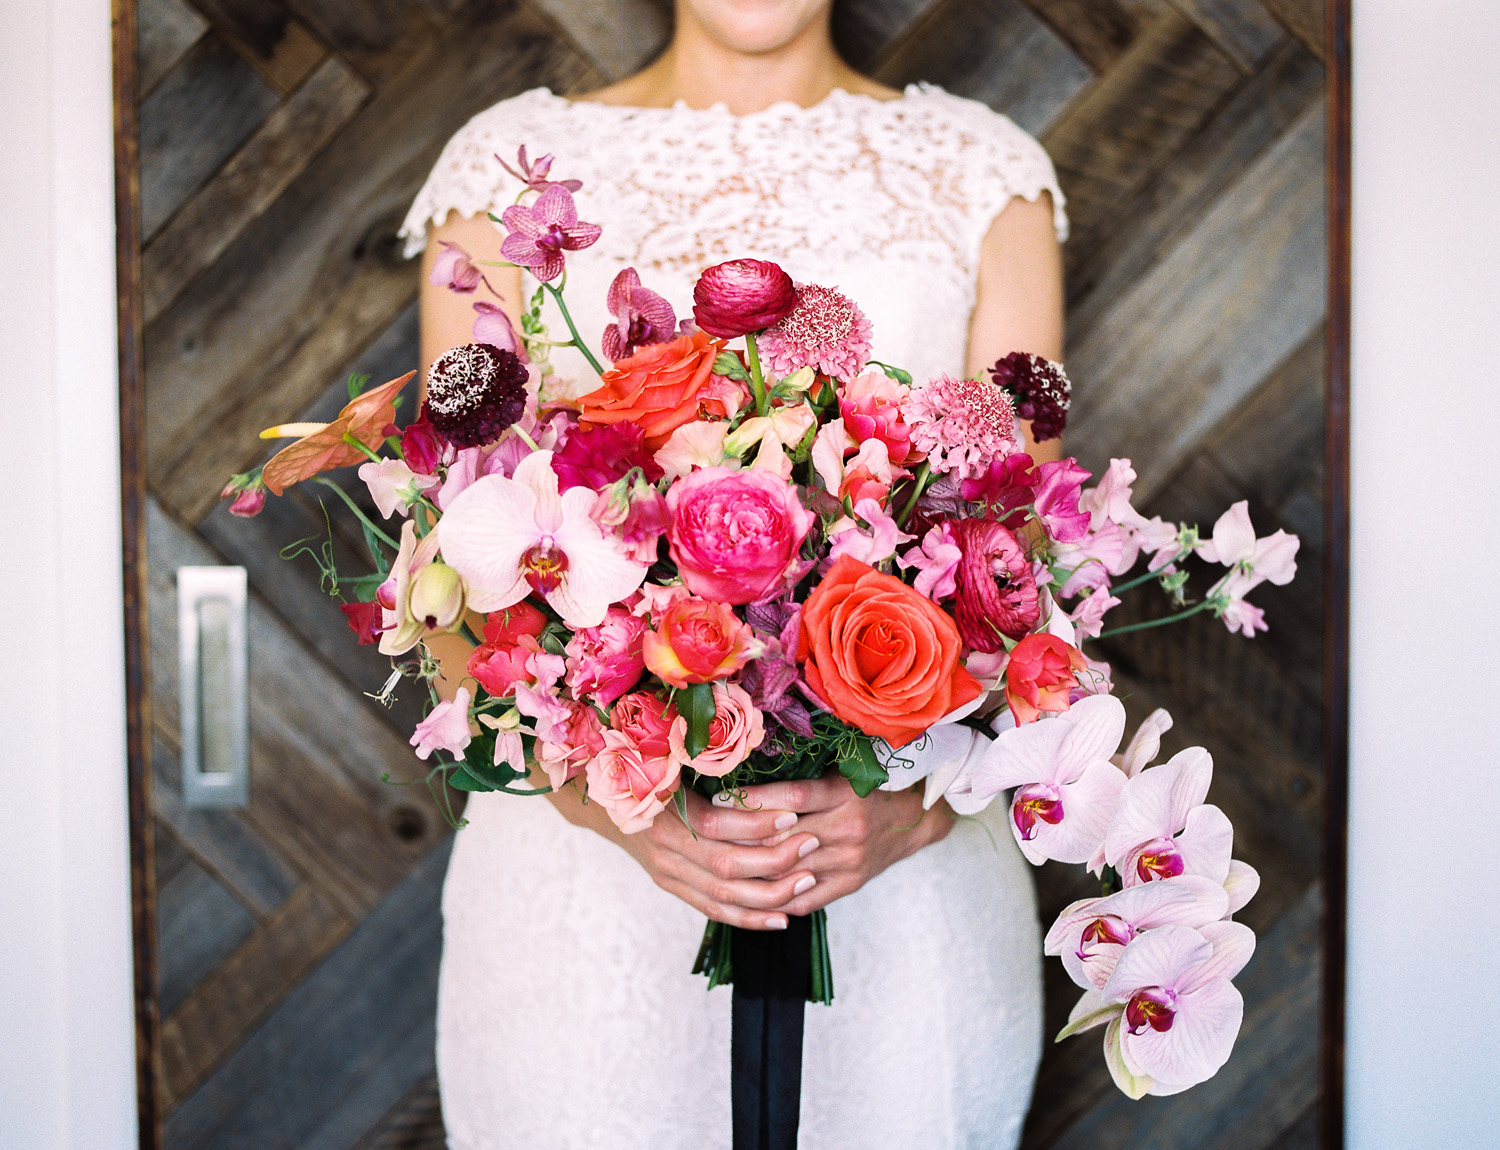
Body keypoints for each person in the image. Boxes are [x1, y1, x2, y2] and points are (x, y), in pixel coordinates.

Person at [400, 2, 1067, 1145]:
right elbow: (450, 585)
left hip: (903, 912)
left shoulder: (984, 176)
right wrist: (610, 807)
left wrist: (906, 814)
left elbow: (1025, 560)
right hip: (581, 932)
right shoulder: (504, 179)